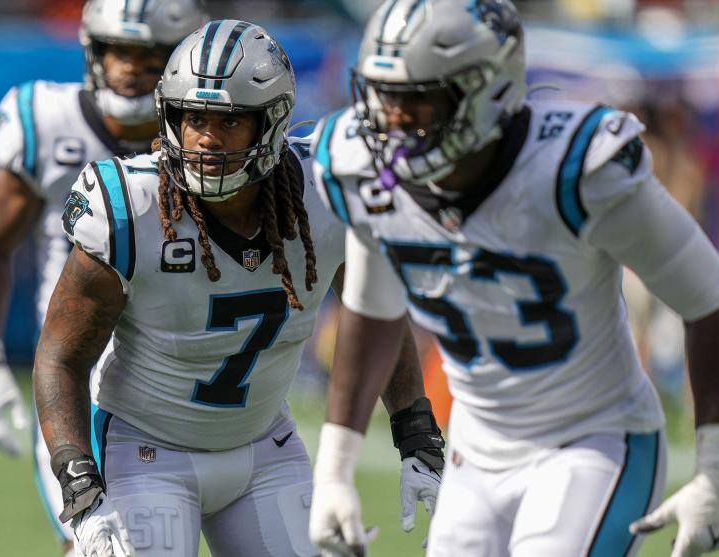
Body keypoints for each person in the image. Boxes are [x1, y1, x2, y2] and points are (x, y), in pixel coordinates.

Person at [307, 1, 719, 557]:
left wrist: (718, 469)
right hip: (476, 448)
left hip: (594, 439)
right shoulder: (361, 168)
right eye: (383, 97)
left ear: (486, 90)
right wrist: (333, 473)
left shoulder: (574, 169)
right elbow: (370, 313)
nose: (392, 121)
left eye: (418, 101)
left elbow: (709, 298)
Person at [33, 20, 440, 557]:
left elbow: (374, 315)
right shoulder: (128, 208)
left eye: (228, 121)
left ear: (269, 123)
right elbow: (60, 356)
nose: (205, 137)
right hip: (144, 451)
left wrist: (416, 428)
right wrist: (78, 479)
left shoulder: (324, 192)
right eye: (193, 117)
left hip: (265, 449)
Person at [0, 1, 208, 553]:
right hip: (82, 369)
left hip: (189, 371)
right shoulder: (48, 121)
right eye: (118, 49)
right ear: (93, 50)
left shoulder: (214, 139)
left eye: (150, 54)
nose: (130, 66)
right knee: (100, 543)